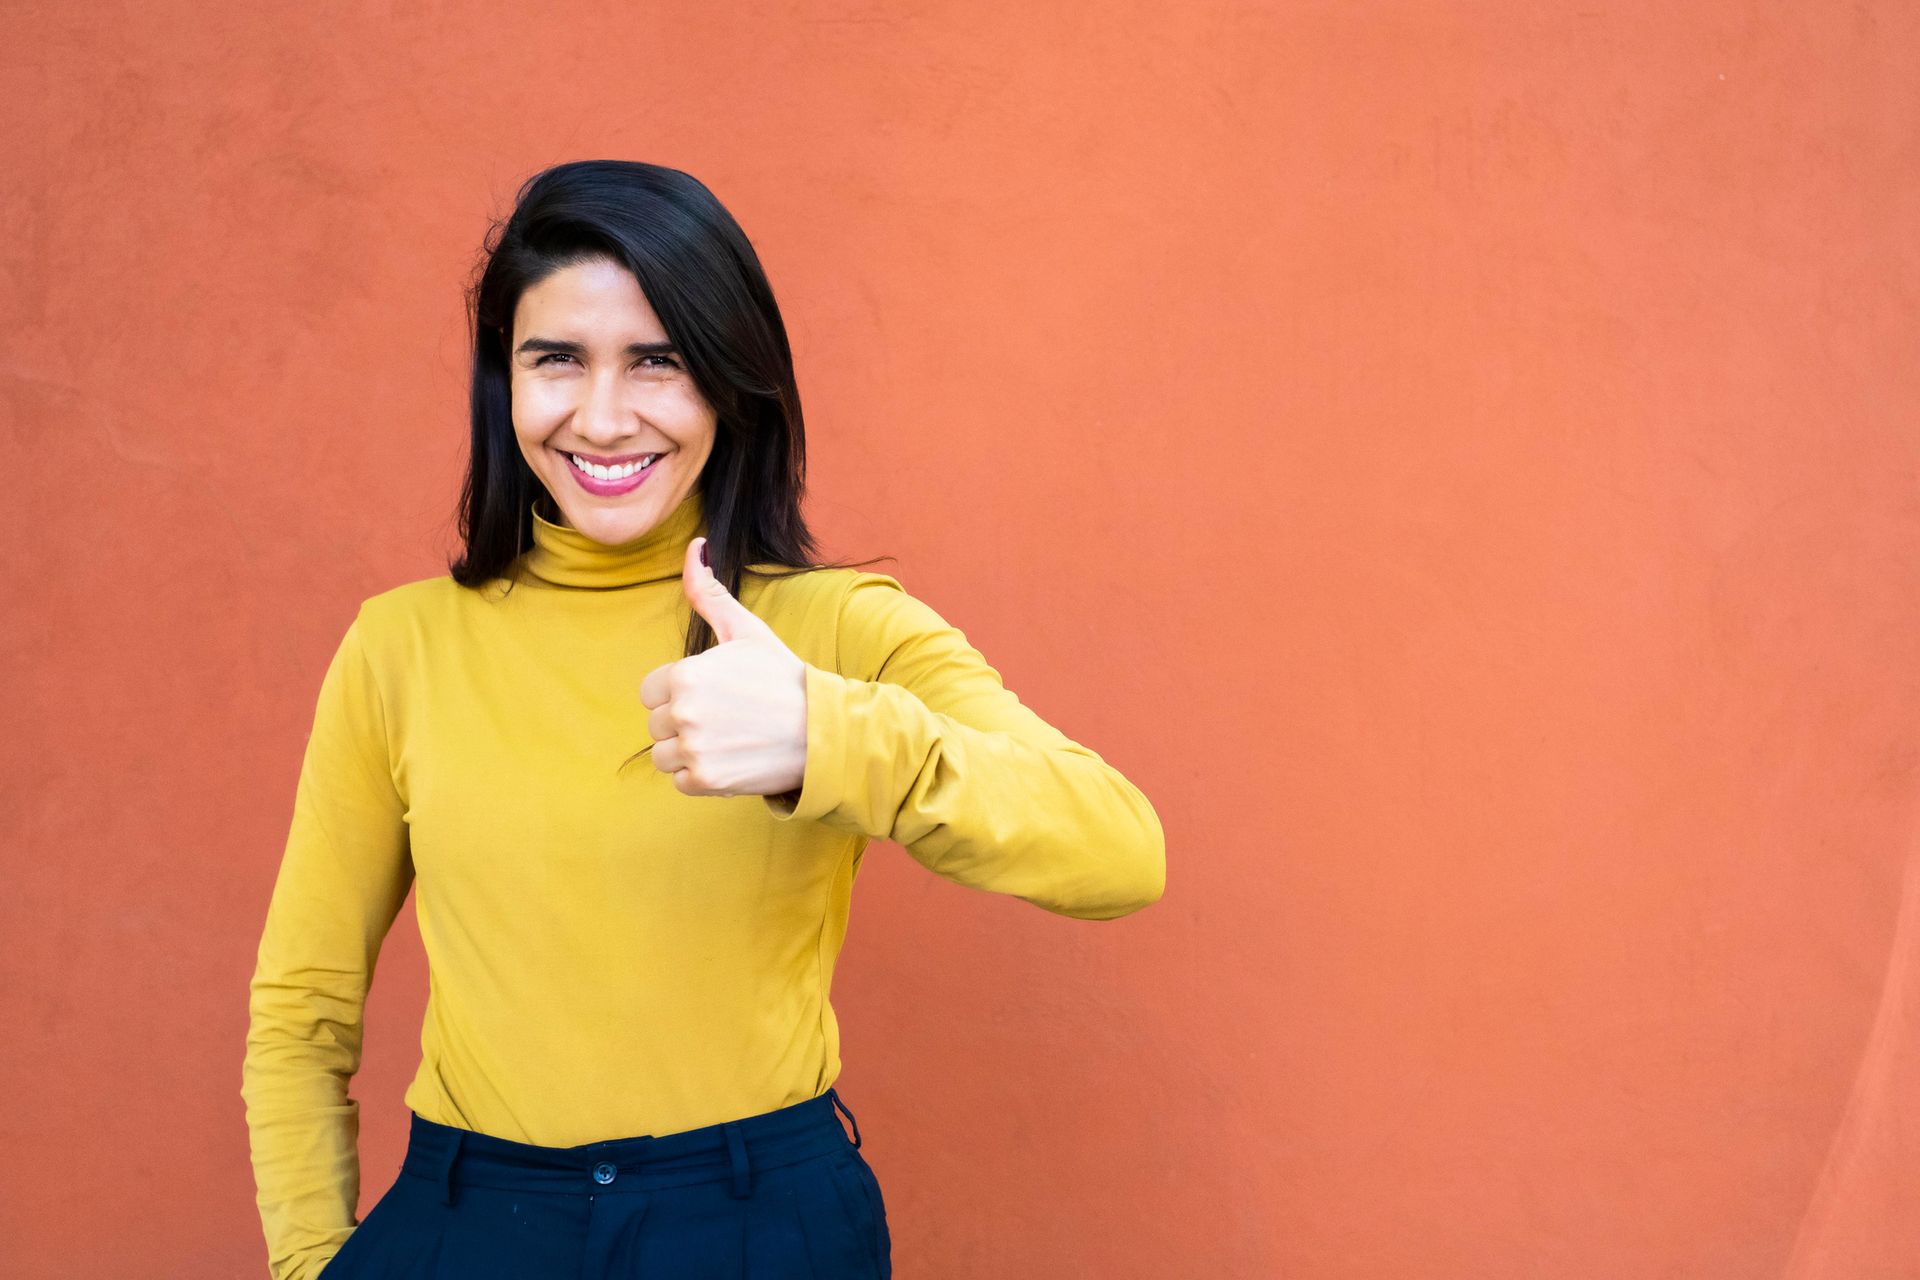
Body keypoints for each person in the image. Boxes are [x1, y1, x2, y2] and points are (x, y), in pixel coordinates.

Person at [240, 158, 1167, 1279]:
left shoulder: (834, 627)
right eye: (556, 359)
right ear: (504, 380)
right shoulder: (399, 646)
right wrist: (311, 1262)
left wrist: (826, 736)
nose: (602, 417)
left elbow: (1119, 851)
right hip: (473, 1219)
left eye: (660, 360)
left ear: (732, 381)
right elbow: (303, 1007)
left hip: (752, 1226)